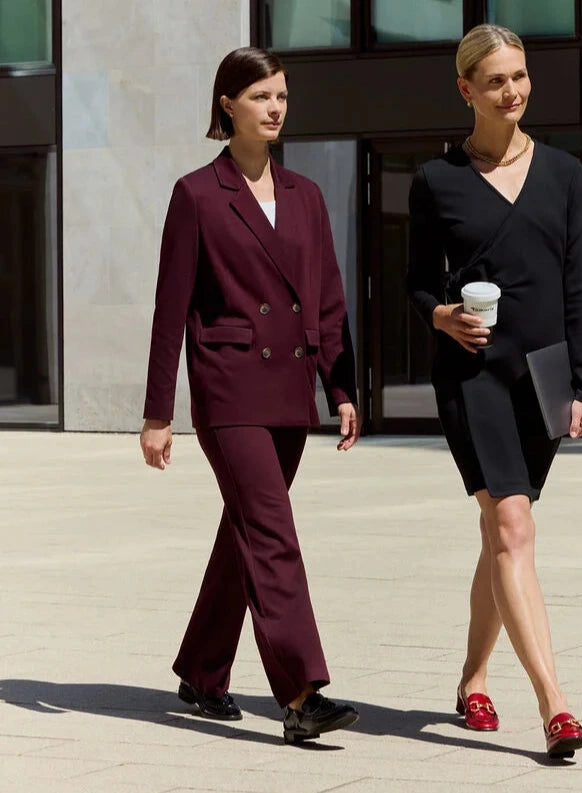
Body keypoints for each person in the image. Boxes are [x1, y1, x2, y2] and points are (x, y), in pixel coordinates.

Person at [139, 47, 360, 745]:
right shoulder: (198, 193)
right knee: (272, 531)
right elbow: (169, 309)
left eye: (282, 97)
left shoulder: (306, 196)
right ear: (227, 103)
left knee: (248, 533)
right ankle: (299, 693)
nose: (274, 108)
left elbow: (326, 299)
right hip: (229, 389)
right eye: (261, 95)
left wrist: (342, 387)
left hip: (290, 392)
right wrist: (157, 413)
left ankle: (203, 671)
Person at [406, 24, 582, 759]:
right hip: (473, 374)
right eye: (496, 81)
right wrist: (439, 313)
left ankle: (471, 678)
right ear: (466, 90)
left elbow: (578, 284)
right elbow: (416, 283)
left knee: (501, 535)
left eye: (519, 77)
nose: (513, 91)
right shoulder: (436, 179)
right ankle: (555, 704)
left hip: (547, 374)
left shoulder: (562, 172)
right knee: (513, 529)